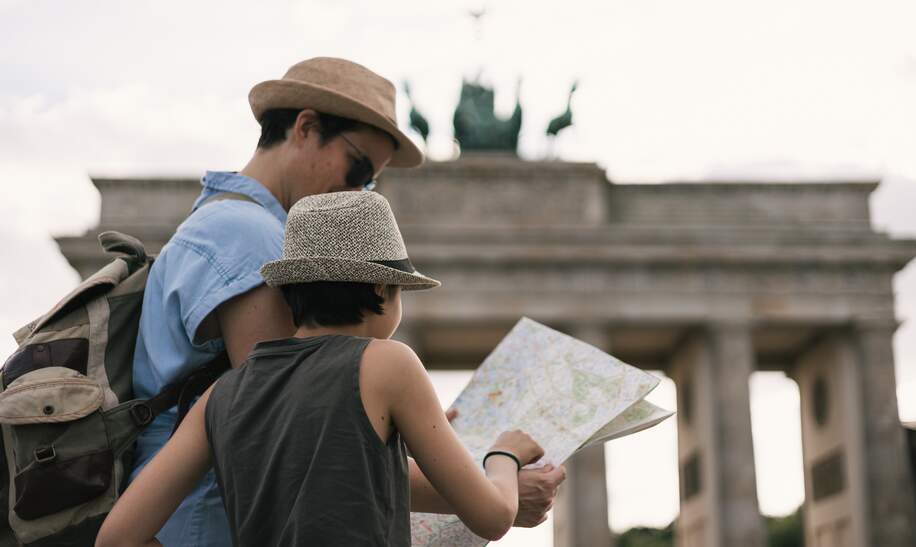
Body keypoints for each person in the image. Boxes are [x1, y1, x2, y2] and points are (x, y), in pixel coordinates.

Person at [128, 57, 565, 545]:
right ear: (306, 126)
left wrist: (395, 420)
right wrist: (495, 478)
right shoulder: (249, 235)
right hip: (205, 525)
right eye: (359, 169)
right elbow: (304, 440)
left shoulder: (224, 223)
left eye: (370, 183)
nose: (356, 191)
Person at [99, 191, 546, 546]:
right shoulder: (389, 363)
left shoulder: (223, 393)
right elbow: (493, 517)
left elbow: (118, 538)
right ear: (380, 287)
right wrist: (503, 457)